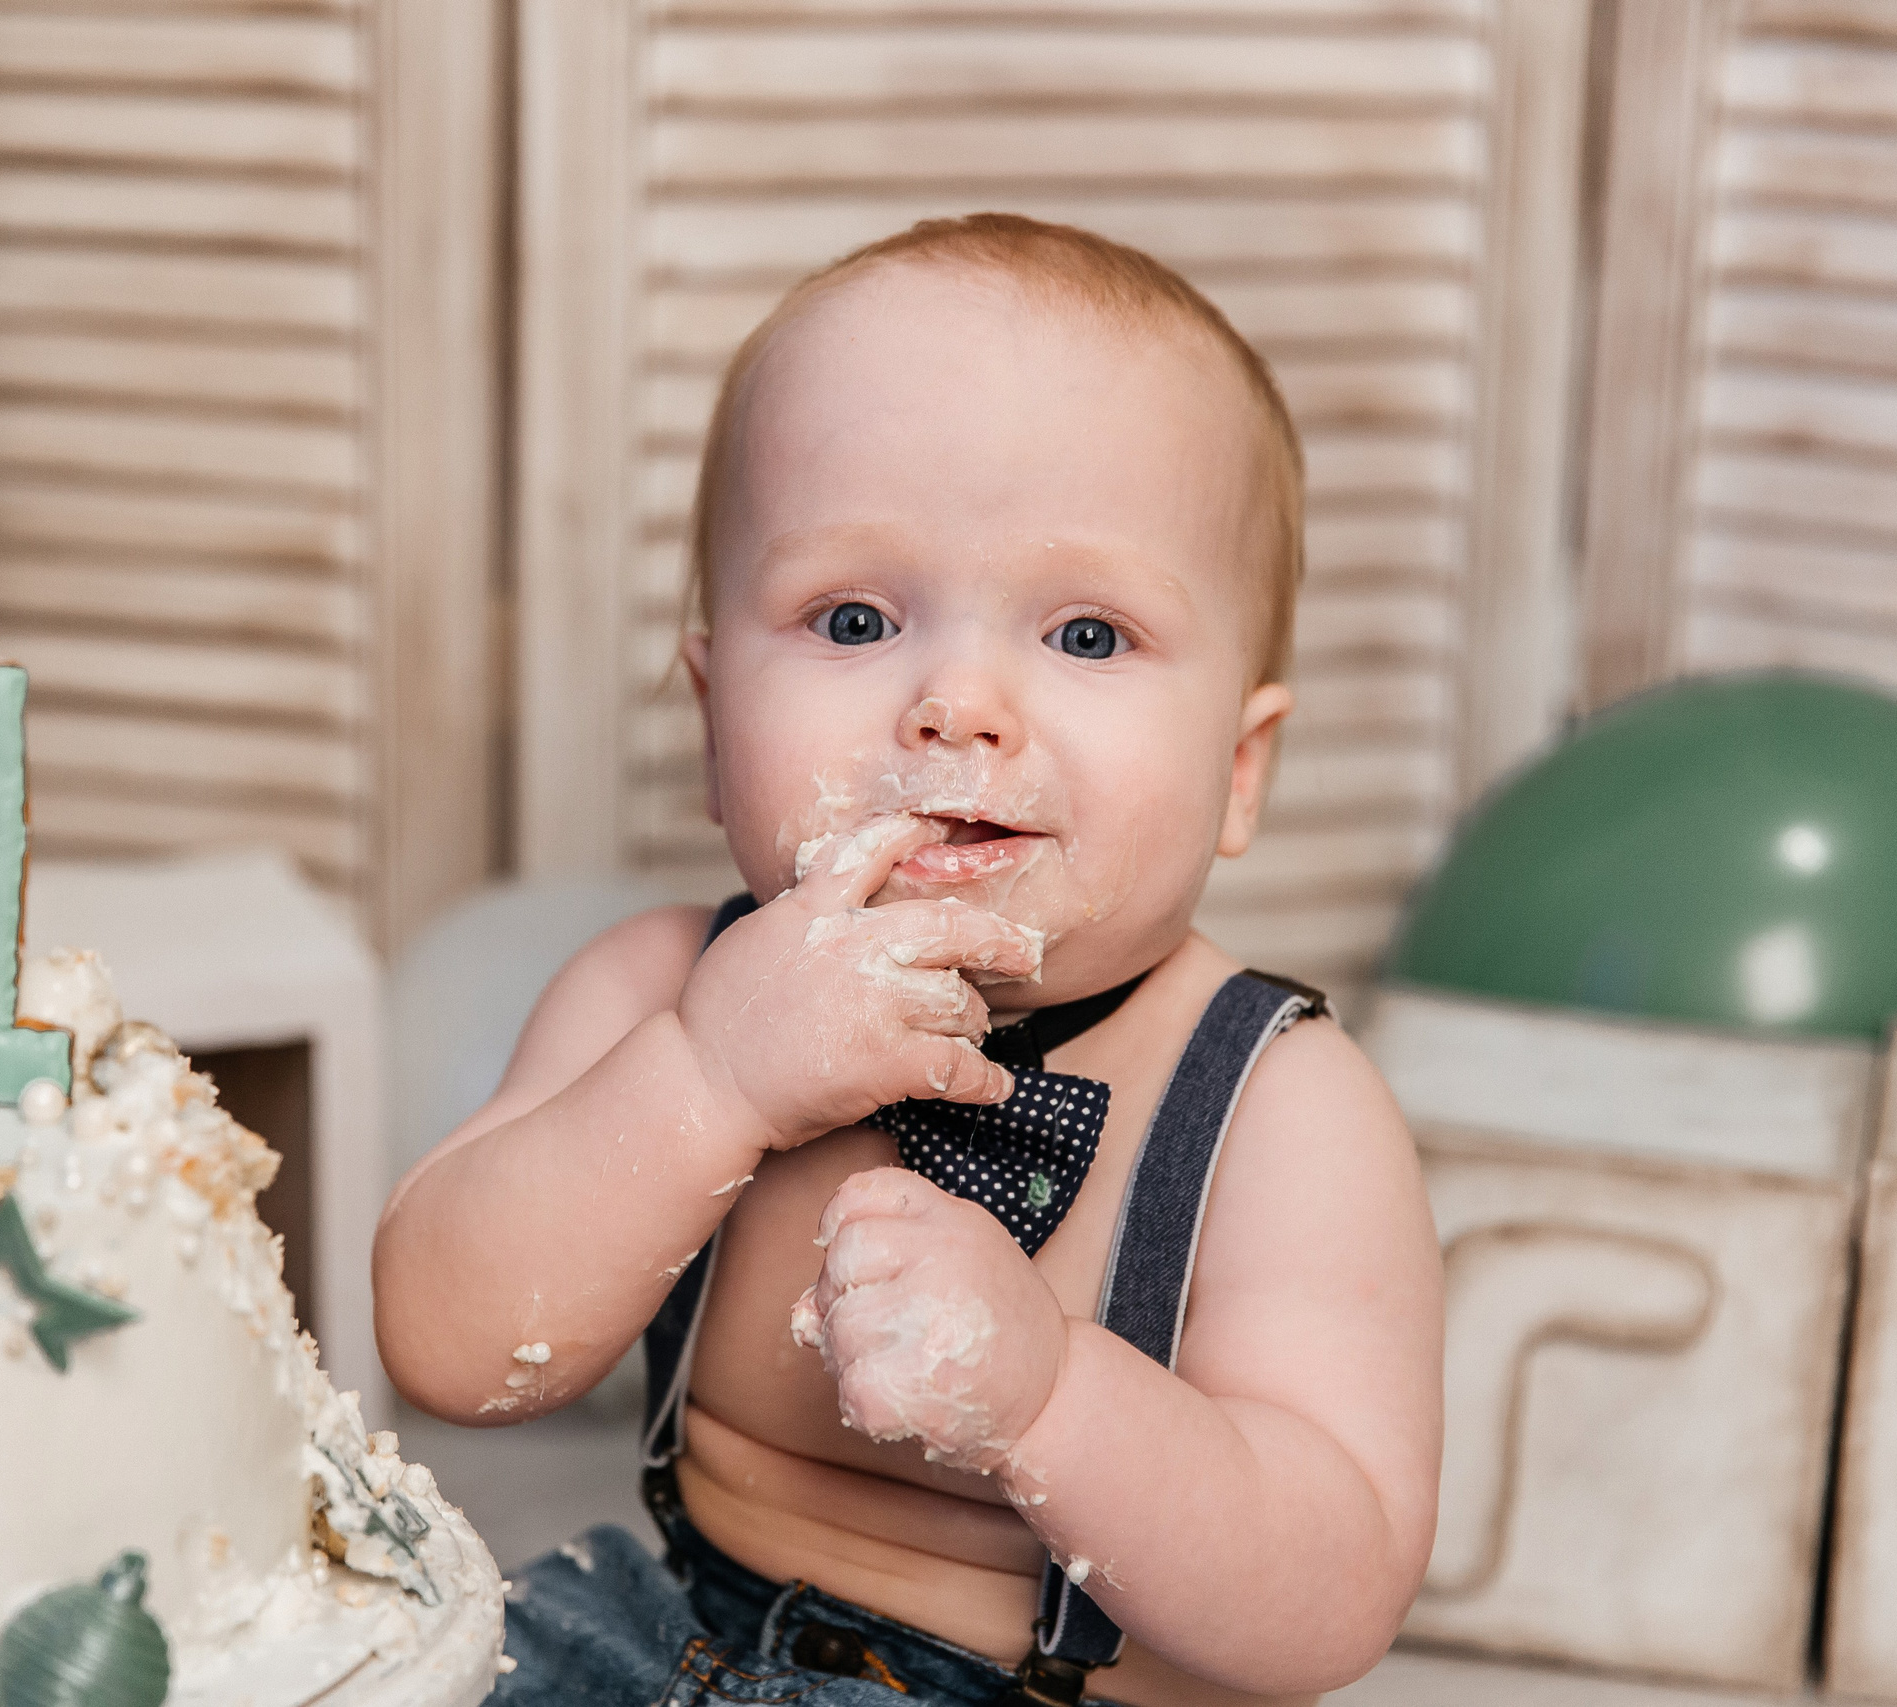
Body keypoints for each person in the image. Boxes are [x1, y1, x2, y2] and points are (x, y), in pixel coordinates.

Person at [374, 213, 1443, 1707]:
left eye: (1086, 633)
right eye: (856, 617)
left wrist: (1051, 1393)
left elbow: (1324, 1598)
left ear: (1242, 768)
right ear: (709, 721)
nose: (957, 704)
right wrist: (707, 1079)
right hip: (659, 1641)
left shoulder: (1280, 1109)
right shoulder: (658, 991)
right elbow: (450, 1347)